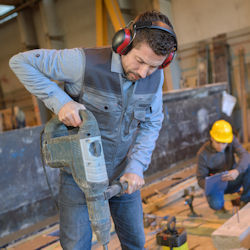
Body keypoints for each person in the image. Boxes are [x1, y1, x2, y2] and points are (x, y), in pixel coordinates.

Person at [9, 10, 177, 250]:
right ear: (125, 43)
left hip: (123, 175)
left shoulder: (154, 78)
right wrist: (61, 102)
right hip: (78, 177)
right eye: (140, 61)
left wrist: (136, 166)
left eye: (153, 67)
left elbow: (152, 122)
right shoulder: (83, 63)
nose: (143, 73)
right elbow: (20, 62)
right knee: (76, 245)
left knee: (136, 242)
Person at [197, 119, 250, 212]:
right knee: (216, 204)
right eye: (217, 142)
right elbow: (200, 179)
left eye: (224, 143)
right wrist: (210, 186)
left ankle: (245, 200)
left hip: (232, 181)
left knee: (248, 165)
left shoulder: (230, 139)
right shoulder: (202, 154)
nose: (221, 147)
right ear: (212, 138)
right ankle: (219, 203)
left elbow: (245, 155)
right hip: (216, 187)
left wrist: (237, 171)